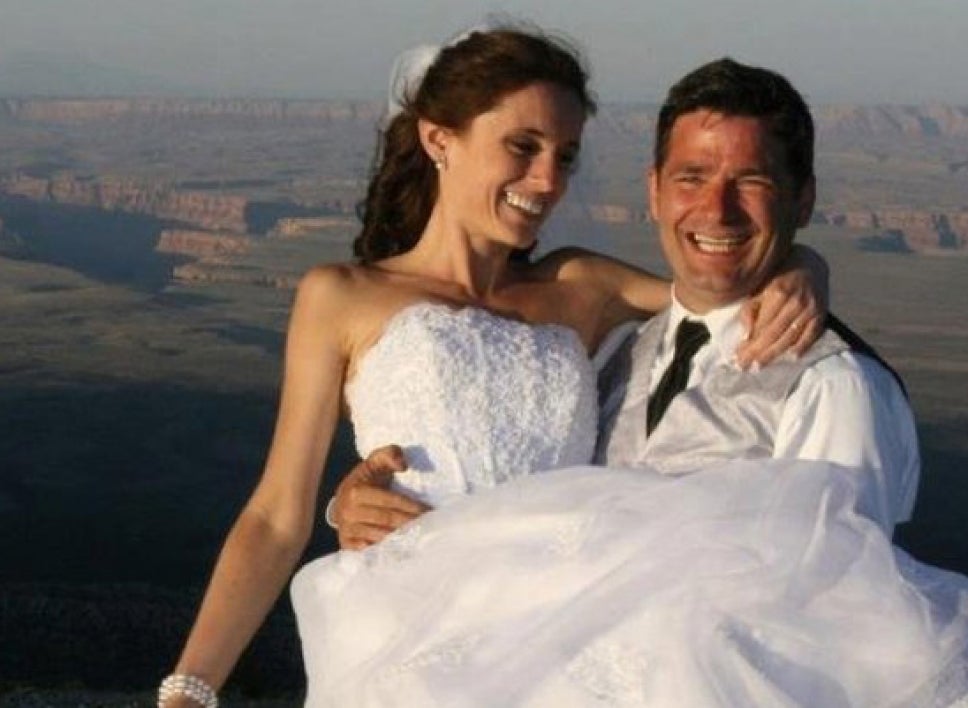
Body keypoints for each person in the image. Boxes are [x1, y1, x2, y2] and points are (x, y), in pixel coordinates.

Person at [157, 27, 824, 708]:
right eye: (523, 147)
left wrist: (804, 265)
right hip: (410, 644)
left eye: (565, 157)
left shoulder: (584, 285)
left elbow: (723, 281)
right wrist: (190, 688)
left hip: (564, 641)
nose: (548, 181)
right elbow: (275, 517)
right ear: (439, 139)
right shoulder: (341, 296)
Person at [314, 55, 968, 705]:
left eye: (752, 181)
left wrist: (804, 262)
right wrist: (363, 503)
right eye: (693, 177)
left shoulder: (833, 383)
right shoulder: (615, 352)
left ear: (803, 198)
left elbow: (843, 629)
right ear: (653, 190)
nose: (717, 209)